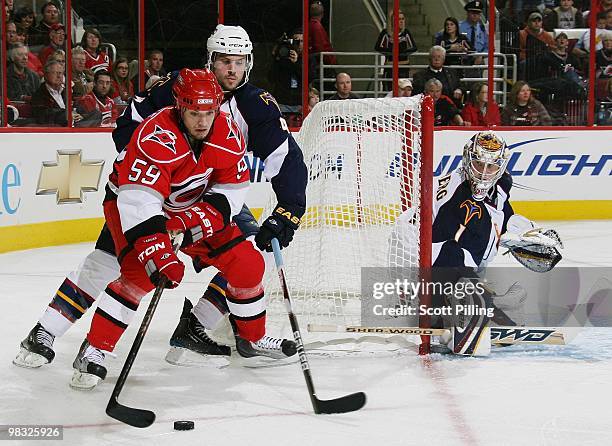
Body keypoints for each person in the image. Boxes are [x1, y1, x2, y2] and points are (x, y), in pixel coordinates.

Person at [14, 25, 307, 378]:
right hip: (150, 195)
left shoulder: (255, 106)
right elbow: (128, 130)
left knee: (247, 257)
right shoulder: (176, 89)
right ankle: (48, 331)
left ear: (249, 63)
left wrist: (288, 209)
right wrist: (158, 183)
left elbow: (285, 159)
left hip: (209, 194)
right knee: (109, 264)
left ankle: (200, 329)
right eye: (224, 61)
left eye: (239, 61)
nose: (232, 70)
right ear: (210, 60)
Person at [391, 131, 562, 355]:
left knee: (487, 297)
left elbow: (502, 217)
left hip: (439, 258)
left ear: (501, 167)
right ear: (467, 159)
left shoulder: (498, 188)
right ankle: (430, 310)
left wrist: (524, 233)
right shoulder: (453, 193)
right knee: (455, 259)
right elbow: (442, 250)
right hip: (414, 256)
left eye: (491, 167)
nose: (483, 172)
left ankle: (463, 310)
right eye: (478, 163)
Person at [374, 9, 417, 79]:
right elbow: (377, 47)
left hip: (403, 66)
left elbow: (414, 48)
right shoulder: (385, 33)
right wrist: (391, 52)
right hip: (390, 66)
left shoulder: (405, 32)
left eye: (403, 19)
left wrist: (402, 52)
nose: (401, 21)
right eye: (399, 19)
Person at [270, 29, 306, 107]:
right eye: (296, 41)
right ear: (291, 42)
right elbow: (271, 77)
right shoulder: (283, 56)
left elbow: (309, 77)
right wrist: (276, 56)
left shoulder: (308, 58)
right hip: (282, 101)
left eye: (302, 41)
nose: (299, 44)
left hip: (300, 102)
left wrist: (296, 63)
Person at [30, 60, 70, 126]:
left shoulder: (66, 91)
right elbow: (44, 116)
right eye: (55, 73)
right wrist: (67, 115)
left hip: (74, 123)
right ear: (46, 75)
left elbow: (76, 106)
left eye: (60, 73)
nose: (59, 76)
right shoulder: (39, 95)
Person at [519, 12, 557, 80]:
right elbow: (518, 51)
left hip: (542, 62)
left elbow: (553, 49)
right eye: (534, 21)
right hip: (526, 61)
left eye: (539, 21)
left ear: (542, 23)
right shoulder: (521, 34)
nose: (537, 23)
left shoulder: (547, 36)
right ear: (528, 22)